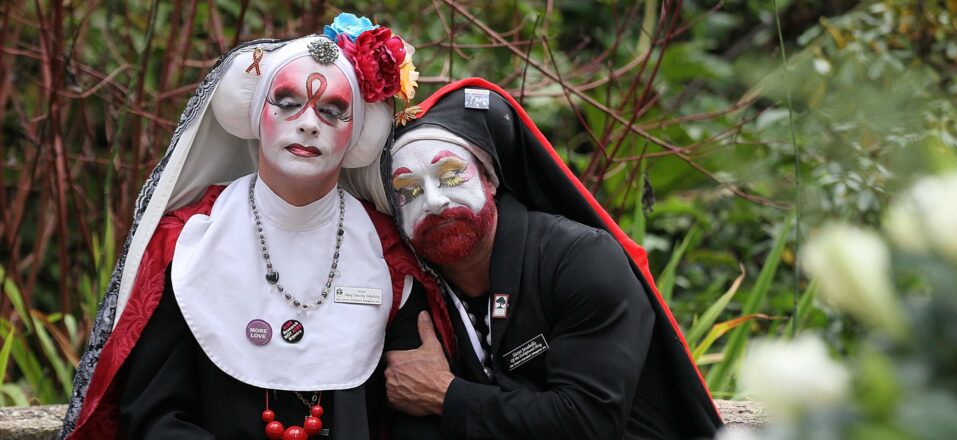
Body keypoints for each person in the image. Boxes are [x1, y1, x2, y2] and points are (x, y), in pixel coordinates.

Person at [58, 13, 456, 439]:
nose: (308, 123)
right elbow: (155, 414)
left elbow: (413, 413)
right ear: (254, 113)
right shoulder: (187, 241)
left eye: (332, 111)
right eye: (287, 102)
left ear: (357, 135)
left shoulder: (387, 255)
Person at [351, 79, 724, 439]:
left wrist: (447, 396)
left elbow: (588, 422)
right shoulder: (417, 291)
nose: (433, 201)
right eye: (409, 190)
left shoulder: (581, 259)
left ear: (490, 179)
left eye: (450, 176)